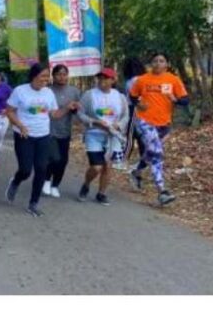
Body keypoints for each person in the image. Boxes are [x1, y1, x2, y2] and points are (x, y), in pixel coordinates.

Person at [4, 63, 77, 217]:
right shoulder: (20, 91)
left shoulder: (48, 93)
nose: (46, 79)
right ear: (34, 75)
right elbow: (9, 111)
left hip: (43, 135)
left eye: (47, 76)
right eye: (43, 76)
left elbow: (54, 114)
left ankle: (33, 204)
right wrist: (20, 125)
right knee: (25, 170)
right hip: (24, 135)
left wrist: (67, 108)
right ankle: (16, 181)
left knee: (41, 169)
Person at [128, 52, 189, 206]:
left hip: (164, 123)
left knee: (151, 153)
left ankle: (136, 171)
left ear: (166, 64)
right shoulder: (142, 80)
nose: (158, 64)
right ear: (151, 64)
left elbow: (185, 100)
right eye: (155, 61)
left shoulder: (173, 80)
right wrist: (138, 104)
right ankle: (162, 191)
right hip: (145, 121)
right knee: (157, 153)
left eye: (161, 61)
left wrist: (176, 99)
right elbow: (133, 96)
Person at [76, 68, 129, 205]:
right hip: (94, 134)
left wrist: (118, 125)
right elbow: (80, 113)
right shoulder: (89, 95)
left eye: (106, 78)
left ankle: (101, 193)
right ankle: (86, 183)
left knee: (107, 166)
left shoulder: (120, 97)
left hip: (113, 136)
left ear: (113, 80)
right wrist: (94, 122)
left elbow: (126, 116)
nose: (102, 81)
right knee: (96, 167)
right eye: (100, 78)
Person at [43, 64, 81, 198]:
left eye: (64, 74)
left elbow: (77, 111)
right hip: (48, 129)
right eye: (59, 74)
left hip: (65, 130)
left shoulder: (74, 91)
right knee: (53, 158)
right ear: (53, 76)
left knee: (63, 160)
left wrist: (76, 108)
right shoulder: (47, 91)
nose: (62, 77)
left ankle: (55, 185)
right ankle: (46, 180)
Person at [122, 57, 147, 165]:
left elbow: (131, 97)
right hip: (145, 109)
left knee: (130, 136)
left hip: (133, 109)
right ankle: (144, 159)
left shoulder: (130, 82)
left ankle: (123, 158)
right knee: (143, 135)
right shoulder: (145, 79)